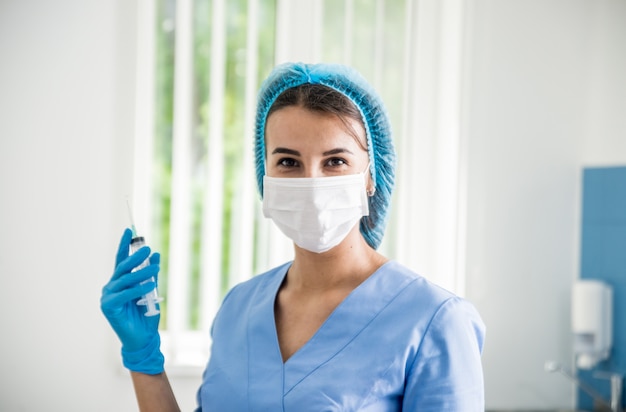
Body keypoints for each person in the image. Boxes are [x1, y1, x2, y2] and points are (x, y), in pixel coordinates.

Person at [101, 62, 486, 411]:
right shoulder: (239, 309)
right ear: (264, 176)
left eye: (335, 161)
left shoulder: (435, 321)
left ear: (370, 176)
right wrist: (144, 358)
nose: (312, 182)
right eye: (288, 162)